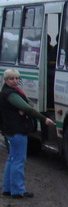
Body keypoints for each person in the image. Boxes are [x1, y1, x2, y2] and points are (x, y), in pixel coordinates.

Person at [1, 68, 56, 199]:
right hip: (17, 130)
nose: (15, 81)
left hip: (10, 129)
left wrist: (25, 107)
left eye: (17, 78)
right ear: (6, 80)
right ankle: (18, 190)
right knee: (19, 160)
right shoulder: (11, 94)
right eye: (11, 79)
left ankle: (8, 188)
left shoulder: (9, 92)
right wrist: (44, 119)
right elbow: (28, 107)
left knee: (12, 158)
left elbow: (28, 104)